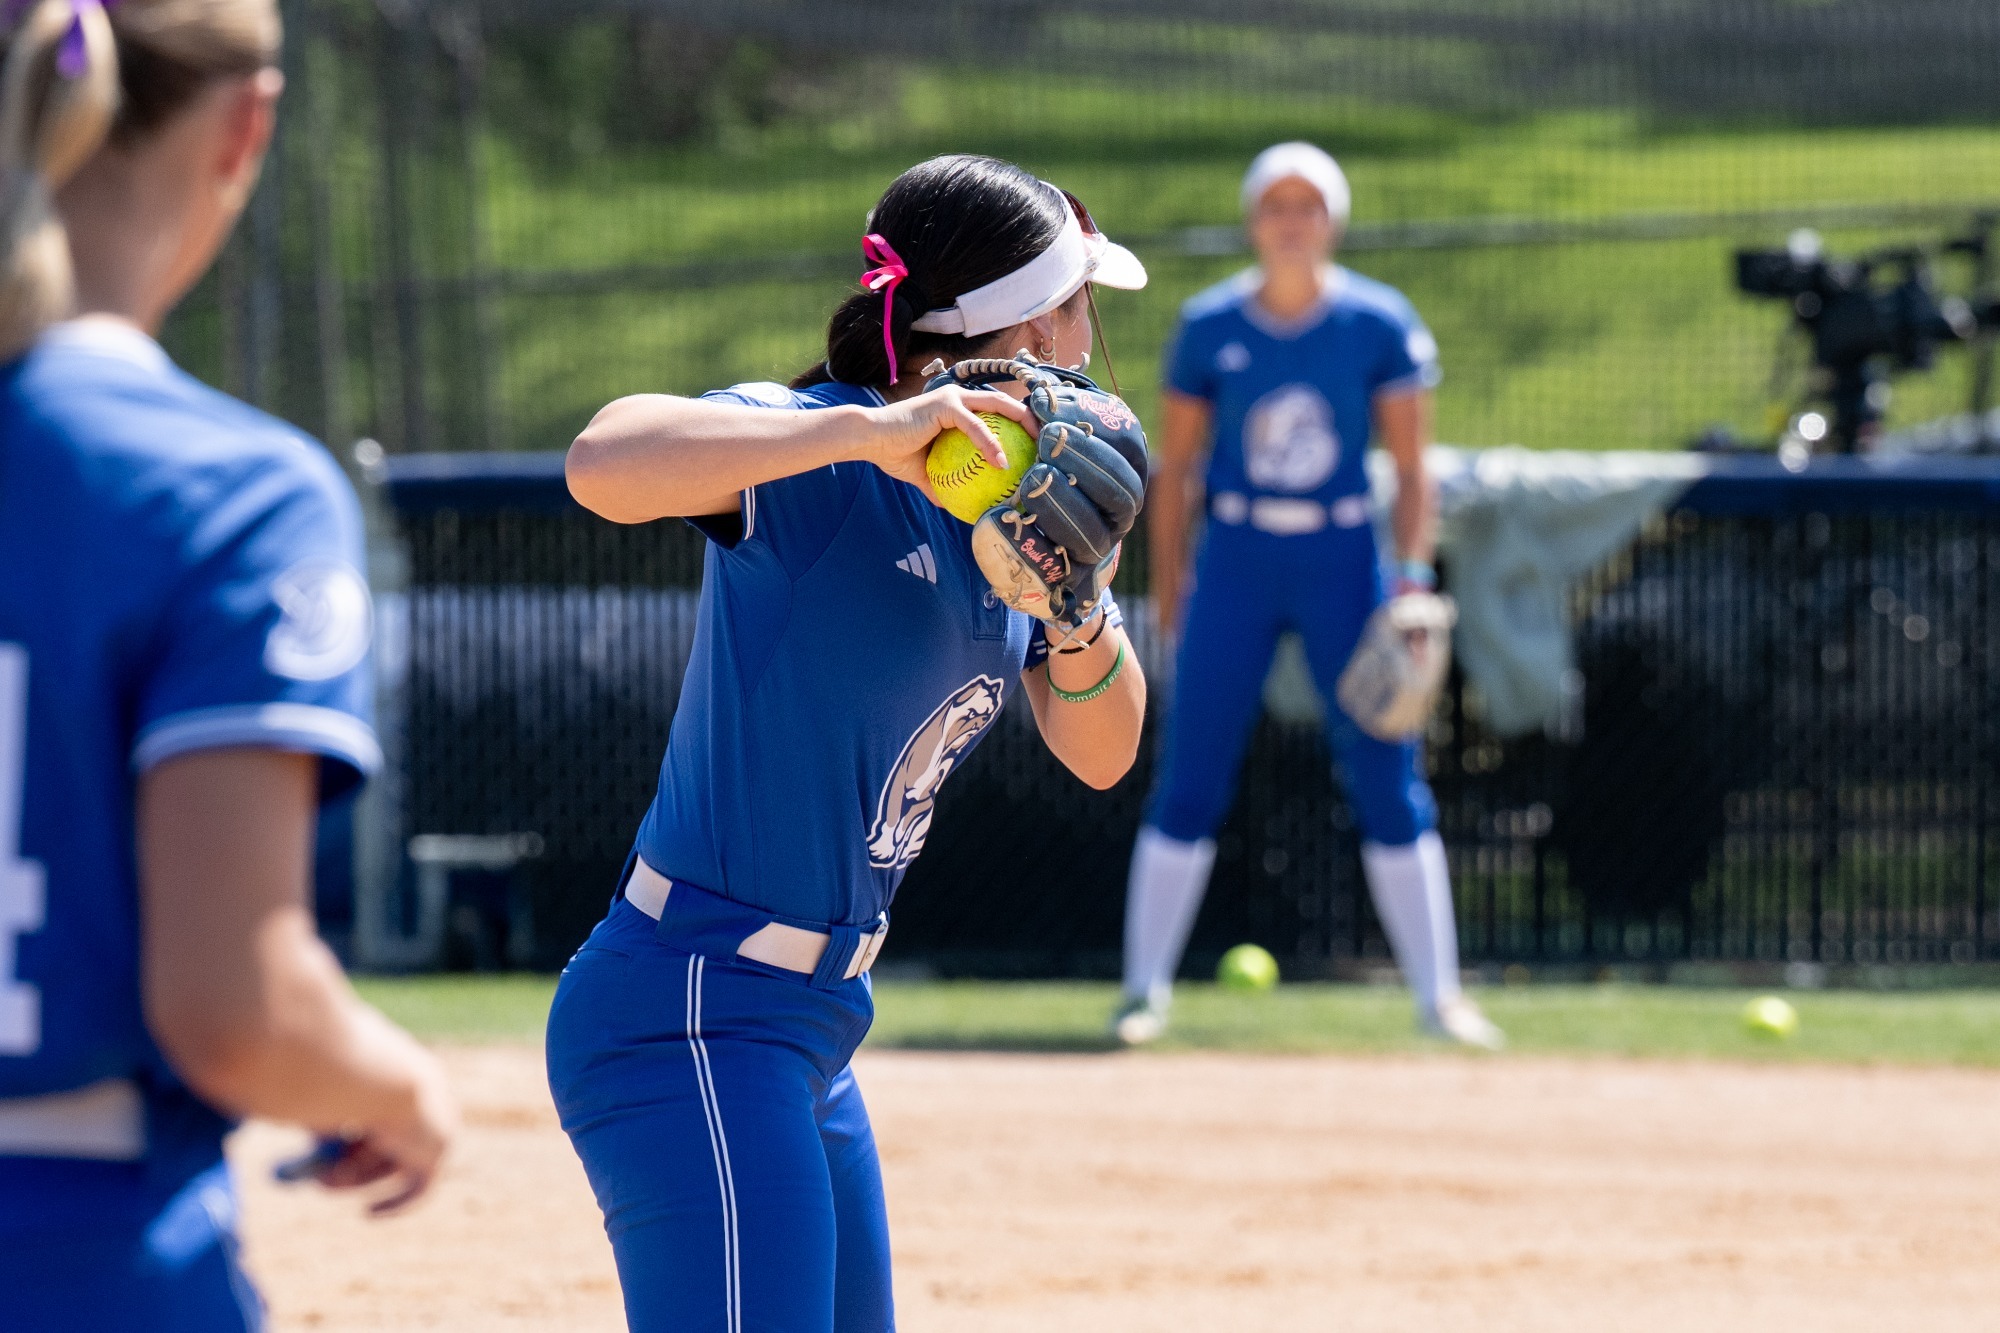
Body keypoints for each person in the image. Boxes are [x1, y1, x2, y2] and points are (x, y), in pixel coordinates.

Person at [550, 153, 1150, 1332]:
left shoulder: (1009, 516)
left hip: (809, 1033)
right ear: (1026, 322)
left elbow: (1104, 751)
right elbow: (602, 461)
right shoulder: (826, 450)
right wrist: (867, 436)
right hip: (692, 1010)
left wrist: (1077, 611)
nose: (1090, 341)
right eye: (1082, 306)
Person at [0, 1, 457, 1326]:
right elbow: (232, 1010)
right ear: (245, 123)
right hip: (76, 1246)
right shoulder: (228, 493)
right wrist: (393, 1088)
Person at [1113, 141, 1504, 1051]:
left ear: (1333, 218)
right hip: (1240, 557)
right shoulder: (1211, 324)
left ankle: (1439, 998)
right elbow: (1176, 474)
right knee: (1191, 770)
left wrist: (1409, 581)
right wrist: (1172, 583)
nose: (1292, 222)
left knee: (1386, 770)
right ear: (1254, 219)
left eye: (1309, 206)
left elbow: (1412, 473)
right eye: (1276, 206)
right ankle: (1142, 993)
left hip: (1341, 557)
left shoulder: (1376, 322)